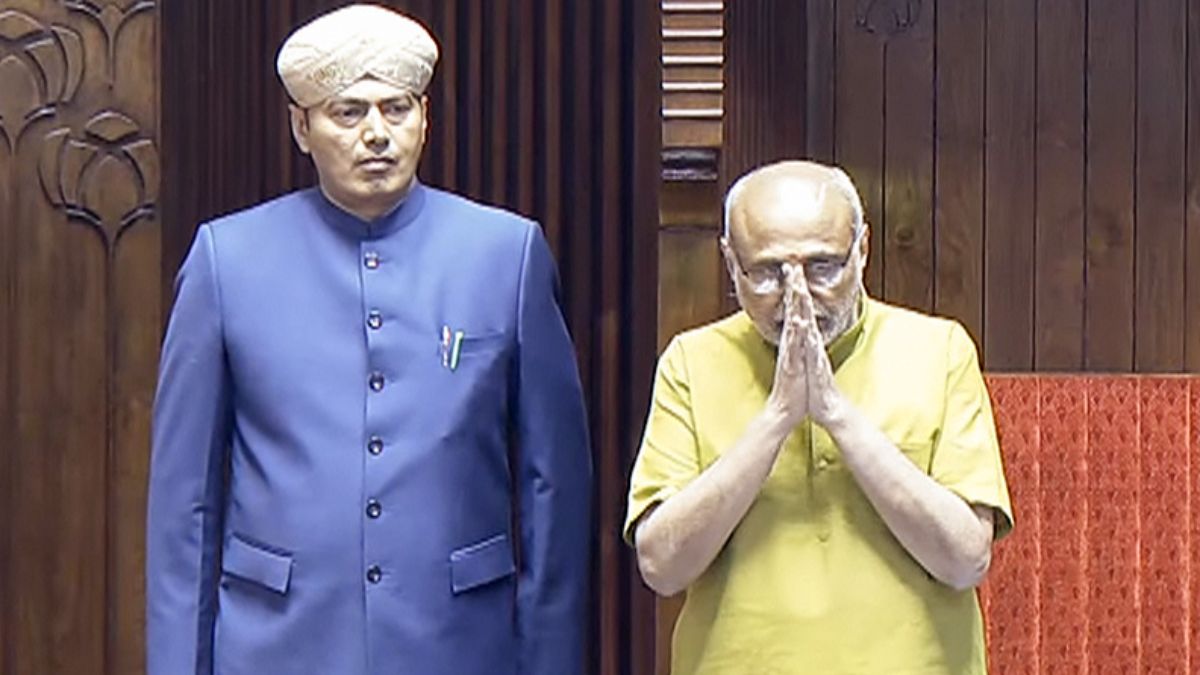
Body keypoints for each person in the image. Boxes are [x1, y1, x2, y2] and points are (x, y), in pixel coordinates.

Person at [146, 5, 591, 674]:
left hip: (459, 646)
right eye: (348, 113)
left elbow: (553, 487)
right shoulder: (226, 261)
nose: (376, 133)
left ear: (425, 118)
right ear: (301, 127)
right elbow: (186, 503)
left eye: (397, 109)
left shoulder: (507, 254)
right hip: (278, 645)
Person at [625, 160, 1013, 674]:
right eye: (767, 273)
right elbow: (661, 566)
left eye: (823, 267)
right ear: (730, 261)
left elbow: (966, 558)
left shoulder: (940, 351)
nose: (797, 296)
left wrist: (835, 414)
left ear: (863, 250)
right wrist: (777, 419)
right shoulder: (690, 362)